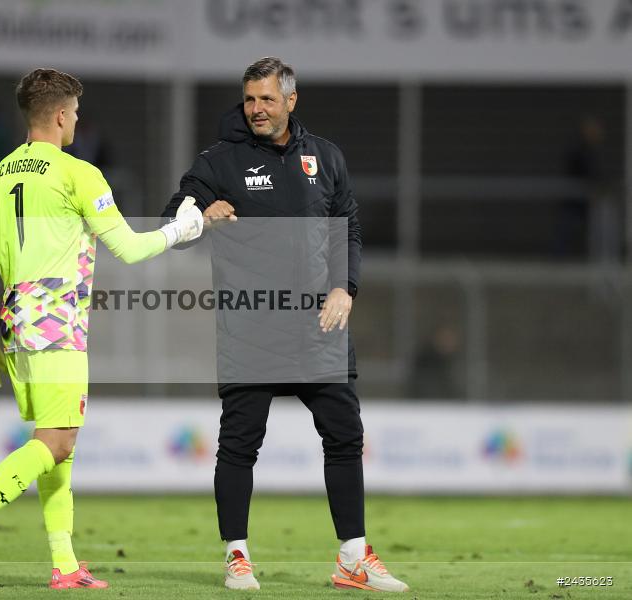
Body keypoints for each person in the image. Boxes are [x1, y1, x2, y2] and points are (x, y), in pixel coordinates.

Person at [0, 68, 203, 590]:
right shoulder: (79, 174)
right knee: (56, 441)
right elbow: (127, 247)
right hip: (56, 323)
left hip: (11, 323)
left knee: (58, 442)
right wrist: (183, 230)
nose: (76, 119)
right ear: (58, 115)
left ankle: (65, 563)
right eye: (74, 111)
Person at [161, 57, 408, 593]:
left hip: (318, 325)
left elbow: (351, 231)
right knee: (240, 443)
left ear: (291, 101)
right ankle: (237, 557)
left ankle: (352, 559)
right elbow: (171, 215)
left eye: (267, 99)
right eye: (249, 99)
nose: (256, 109)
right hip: (251, 325)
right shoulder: (219, 161)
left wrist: (346, 288)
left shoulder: (326, 156)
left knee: (345, 437)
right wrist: (200, 217)